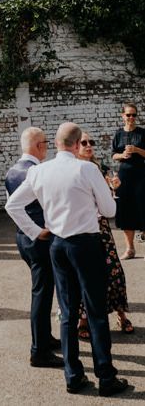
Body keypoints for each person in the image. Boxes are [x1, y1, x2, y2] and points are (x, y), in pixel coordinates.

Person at [6, 122, 128, 397]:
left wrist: (36, 232)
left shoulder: (39, 171)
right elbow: (109, 209)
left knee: (67, 311)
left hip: (57, 245)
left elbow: (12, 205)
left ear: (57, 143)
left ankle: (73, 376)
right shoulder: (86, 168)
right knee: (95, 311)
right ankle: (106, 377)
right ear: (75, 144)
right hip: (85, 243)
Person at [4, 126, 62, 368]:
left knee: (43, 289)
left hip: (22, 240)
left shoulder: (11, 171)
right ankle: (39, 351)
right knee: (42, 292)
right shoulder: (36, 172)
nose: (47, 148)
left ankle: (45, 338)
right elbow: (15, 206)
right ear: (39, 145)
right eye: (46, 143)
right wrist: (38, 232)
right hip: (39, 240)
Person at [77, 132, 133, 338]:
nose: (89, 145)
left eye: (91, 142)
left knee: (113, 271)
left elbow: (107, 203)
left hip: (101, 226)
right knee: (84, 274)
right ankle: (82, 319)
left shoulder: (100, 168)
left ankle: (121, 314)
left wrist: (112, 188)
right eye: (84, 143)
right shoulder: (73, 170)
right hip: (81, 227)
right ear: (75, 146)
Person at [111, 102, 145, 259]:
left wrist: (137, 150)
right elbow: (113, 155)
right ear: (122, 116)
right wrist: (122, 156)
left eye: (134, 115)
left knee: (142, 207)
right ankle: (130, 249)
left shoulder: (142, 133)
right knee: (125, 210)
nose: (131, 117)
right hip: (124, 175)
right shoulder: (118, 134)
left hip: (141, 174)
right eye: (128, 115)